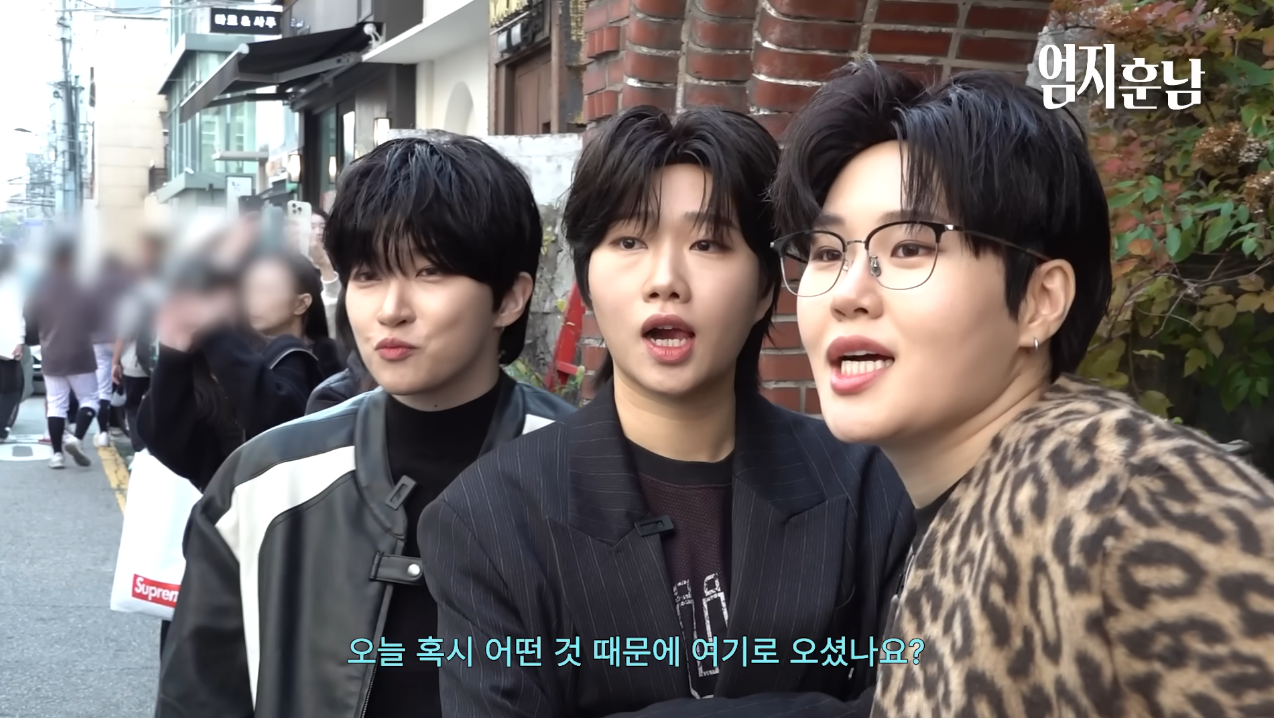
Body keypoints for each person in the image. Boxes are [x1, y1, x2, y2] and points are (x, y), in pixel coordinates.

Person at [769, 60, 1274, 717]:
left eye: (910, 247)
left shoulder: (1134, 503)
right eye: (828, 252)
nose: (847, 292)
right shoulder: (960, 515)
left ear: (1040, 300)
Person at [420, 106, 914, 718]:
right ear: (588, 282)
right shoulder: (489, 519)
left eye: (708, 243)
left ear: (764, 288)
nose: (665, 280)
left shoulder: (871, 488)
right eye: (630, 241)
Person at [153, 133, 576, 718]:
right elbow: (197, 699)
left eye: (430, 272)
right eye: (369, 274)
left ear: (509, 298)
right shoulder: (263, 485)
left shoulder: (592, 472)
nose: (390, 310)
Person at [136, 247, 328, 492]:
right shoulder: (198, 364)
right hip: (221, 511)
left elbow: (282, 428)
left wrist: (215, 331)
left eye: (262, 289)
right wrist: (173, 353)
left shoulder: (292, 357)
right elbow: (166, 443)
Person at [27, 239, 100, 469]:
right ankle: (77, 438)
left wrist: (38, 338)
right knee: (90, 399)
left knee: (56, 404)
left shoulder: (39, 289)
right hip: (80, 352)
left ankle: (57, 455)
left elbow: (29, 321)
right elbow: (95, 320)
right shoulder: (83, 287)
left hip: (51, 353)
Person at [241, 247, 343, 377]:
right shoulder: (240, 355)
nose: (250, 301)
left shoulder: (332, 358)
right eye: (248, 290)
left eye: (265, 290)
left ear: (301, 304)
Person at [111, 232, 166, 453]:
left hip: (134, 360)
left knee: (133, 405)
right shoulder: (168, 292)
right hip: (163, 357)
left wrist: (115, 362)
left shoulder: (133, 297)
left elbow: (123, 332)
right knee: (158, 404)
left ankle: (140, 448)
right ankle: (158, 449)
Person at [88, 252, 135, 447]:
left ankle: (103, 432)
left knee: (103, 388)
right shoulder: (127, 284)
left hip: (99, 341)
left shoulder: (93, 286)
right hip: (122, 340)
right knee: (127, 380)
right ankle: (122, 422)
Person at [0, 241, 24, 439]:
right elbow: (18, 313)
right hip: (7, 343)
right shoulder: (14, 282)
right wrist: (20, 339)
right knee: (11, 389)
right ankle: (1, 427)